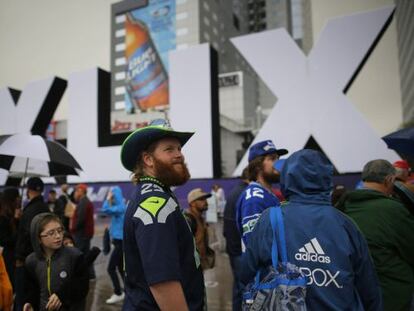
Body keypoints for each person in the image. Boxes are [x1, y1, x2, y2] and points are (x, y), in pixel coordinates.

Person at [241, 149, 382, 310]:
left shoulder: (271, 218)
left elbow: (247, 272)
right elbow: (369, 288)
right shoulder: (346, 225)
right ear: (327, 179)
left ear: (287, 178)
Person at [120, 119, 205, 310]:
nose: (179, 155)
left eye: (179, 149)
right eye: (169, 149)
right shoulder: (154, 201)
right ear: (148, 160)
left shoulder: (156, 193)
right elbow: (163, 281)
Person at [338, 159, 414, 311]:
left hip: (355, 292)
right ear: (389, 180)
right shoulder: (395, 210)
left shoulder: (343, 206)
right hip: (391, 294)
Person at [23, 213, 90, 311]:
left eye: (60, 230)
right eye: (51, 233)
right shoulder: (31, 261)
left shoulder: (75, 256)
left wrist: (62, 295)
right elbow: (32, 289)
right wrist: (30, 302)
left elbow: (82, 287)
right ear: (38, 238)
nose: (58, 236)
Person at [236, 139, 288, 247]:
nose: (278, 163)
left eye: (278, 158)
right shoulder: (254, 199)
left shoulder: (266, 193)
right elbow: (257, 246)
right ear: (258, 166)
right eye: (272, 159)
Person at [15, 177, 50, 311]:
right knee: (35, 296)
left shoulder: (30, 210)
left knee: (23, 299)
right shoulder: (44, 207)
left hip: (26, 260)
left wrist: (19, 257)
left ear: (29, 190)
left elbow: (26, 235)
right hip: (40, 259)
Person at [222, 167, 249, 311]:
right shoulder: (244, 193)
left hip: (233, 249)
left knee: (238, 287)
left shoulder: (235, 191)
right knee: (244, 288)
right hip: (239, 251)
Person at [101, 186, 127, 304]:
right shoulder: (120, 206)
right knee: (121, 268)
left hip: (120, 243)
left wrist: (108, 198)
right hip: (119, 242)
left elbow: (105, 209)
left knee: (110, 268)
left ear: (114, 194)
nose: (110, 195)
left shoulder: (120, 207)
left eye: (111, 193)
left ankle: (118, 293)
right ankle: (128, 290)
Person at [184, 188, 214, 271]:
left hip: (199, 265)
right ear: (192, 203)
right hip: (191, 268)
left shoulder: (200, 217)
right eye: (201, 199)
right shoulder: (188, 220)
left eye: (205, 199)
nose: (205, 202)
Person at [0, 187, 20, 287]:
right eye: (17, 197)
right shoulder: (3, 218)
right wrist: (16, 222)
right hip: (8, 256)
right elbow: (4, 240)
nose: (19, 200)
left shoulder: (11, 215)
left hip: (12, 255)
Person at [70, 184, 94, 265]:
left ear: (81, 191)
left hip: (81, 234)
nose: (75, 193)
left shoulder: (84, 202)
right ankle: (90, 274)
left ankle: (87, 274)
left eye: (76, 191)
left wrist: (73, 229)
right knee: (86, 255)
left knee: (80, 255)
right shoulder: (84, 201)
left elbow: (80, 219)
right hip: (84, 234)